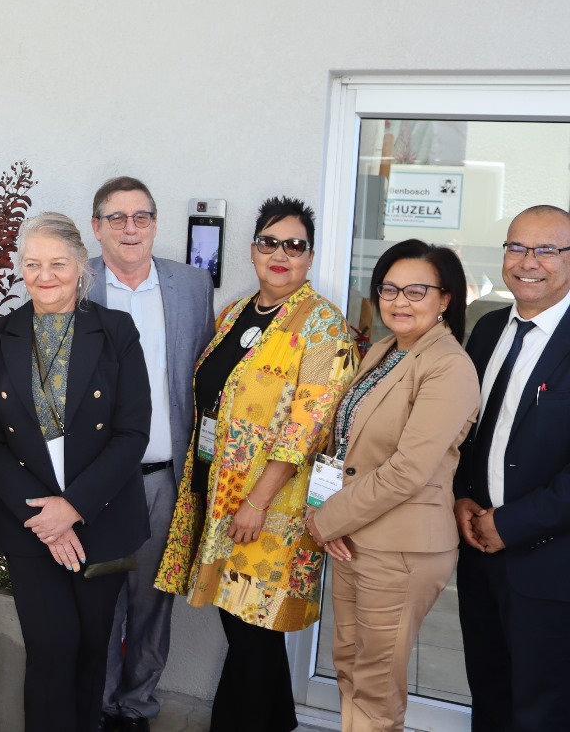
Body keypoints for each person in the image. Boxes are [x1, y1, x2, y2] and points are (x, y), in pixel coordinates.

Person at [155, 196, 358, 732]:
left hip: (271, 511)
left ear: (309, 258)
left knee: (253, 630)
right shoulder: (237, 312)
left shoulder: (322, 327)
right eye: (270, 242)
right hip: (220, 494)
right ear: (253, 249)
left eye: (294, 246)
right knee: (246, 628)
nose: (281, 254)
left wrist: (256, 502)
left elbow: (305, 429)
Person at [0, 211, 151, 732]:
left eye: (56, 264)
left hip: (100, 517)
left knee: (92, 650)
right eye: (32, 265)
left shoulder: (116, 331)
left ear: (80, 267)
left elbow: (131, 434)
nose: (43, 275)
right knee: (51, 648)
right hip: (29, 523)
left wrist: (72, 509)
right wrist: (46, 517)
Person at [306, 240, 479, 731]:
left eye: (416, 290)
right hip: (354, 539)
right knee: (350, 669)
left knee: (376, 689)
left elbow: (407, 469)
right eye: (389, 289)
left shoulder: (448, 366)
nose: (399, 301)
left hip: (401, 551)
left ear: (445, 299)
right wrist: (328, 514)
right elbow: (345, 447)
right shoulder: (385, 349)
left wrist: (325, 520)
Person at [86, 177, 214, 732]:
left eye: (141, 217)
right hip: (93, 482)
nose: (130, 228)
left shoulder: (190, 285)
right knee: (97, 596)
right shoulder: (75, 280)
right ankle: (98, 701)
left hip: (165, 477)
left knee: (152, 599)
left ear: (156, 223)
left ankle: (136, 706)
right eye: (117, 218)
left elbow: (203, 380)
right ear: (97, 227)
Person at [454, 205, 570, 731]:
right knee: (490, 695)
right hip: (478, 558)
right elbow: (469, 432)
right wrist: (461, 497)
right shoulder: (487, 328)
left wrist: (511, 524)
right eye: (517, 247)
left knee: (540, 712)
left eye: (547, 250)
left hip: (549, 568)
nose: (529, 262)